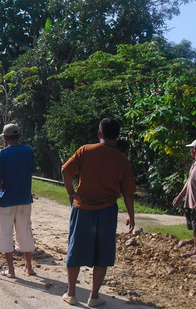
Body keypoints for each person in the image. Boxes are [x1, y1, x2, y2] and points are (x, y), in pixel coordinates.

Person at [60, 117, 136, 307]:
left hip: (83, 209)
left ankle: (71, 293)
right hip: (107, 211)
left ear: (99, 134)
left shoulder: (86, 150)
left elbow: (65, 171)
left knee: (75, 249)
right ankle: (94, 297)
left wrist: (71, 193)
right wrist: (131, 216)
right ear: (118, 136)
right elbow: (128, 193)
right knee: (102, 253)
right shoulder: (123, 160)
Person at [0, 123, 36, 278]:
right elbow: (31, 171)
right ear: (18, 137)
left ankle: (11, 270)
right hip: (24, 200)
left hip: (6, 201)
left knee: (5, 234)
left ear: (5, 138)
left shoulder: (2, 154)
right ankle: (28, 267)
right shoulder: (28, 151)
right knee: (25, 232)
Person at [173, 139, 196, 259]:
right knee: (194, 228)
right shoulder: (195, 164)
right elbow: (188, 183)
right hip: (190, 201)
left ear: (194, 150)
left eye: (191, 149)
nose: (190, 151)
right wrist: (180, 196)